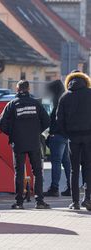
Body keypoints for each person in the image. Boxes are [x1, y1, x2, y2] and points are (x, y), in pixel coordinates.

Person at [0, 80, 50, 209]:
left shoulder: (12, 104)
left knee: (19, 172)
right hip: (34, 142)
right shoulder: (36, 103)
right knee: (37, 171)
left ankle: (19, 202)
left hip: (18, 143)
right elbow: (47, 121)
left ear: (17, 89)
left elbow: (1, 123)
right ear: (28, 89)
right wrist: (36, 132)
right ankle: (39, 201)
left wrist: (13, 133)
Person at [56, 70, 91, 210]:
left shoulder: (64, 97)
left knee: (74, 170)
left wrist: (67, 134)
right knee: (88, 168)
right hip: (89, 136)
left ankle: (75, 202)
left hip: (73, 138)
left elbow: (59, 120)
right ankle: (87, 199)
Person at [43, 80, 71, 197]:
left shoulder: (58, 102)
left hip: (57, 136)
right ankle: (70, 187)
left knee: (56, 162)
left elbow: (55, 120)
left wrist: (52, 133)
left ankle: (54, 188)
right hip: (65, 136)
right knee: (66, 162)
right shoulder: (66, 99)